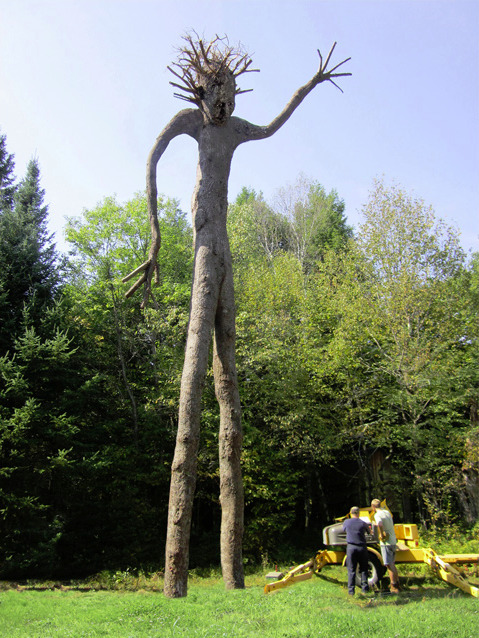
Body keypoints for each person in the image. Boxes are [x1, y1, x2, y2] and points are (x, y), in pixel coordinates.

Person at [371, 498, 400, 593]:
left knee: (388, 564)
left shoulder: (377, 514)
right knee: (392, 563)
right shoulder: (387, 512)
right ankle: (396, 584)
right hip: (393, 540)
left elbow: (379, 523)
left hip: (386, 543)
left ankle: (394, 586)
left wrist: (381, 533)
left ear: (373, 507)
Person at [342, 506, 372, 596]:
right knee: (364, 569)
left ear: (350, 513)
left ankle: (351, 591)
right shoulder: (363, 523)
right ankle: (364, 589)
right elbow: (370, 532)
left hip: (351, 547)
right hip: (362, 547)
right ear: (359, 513)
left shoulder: (346, 522)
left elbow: (344, 530)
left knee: (351, 569)